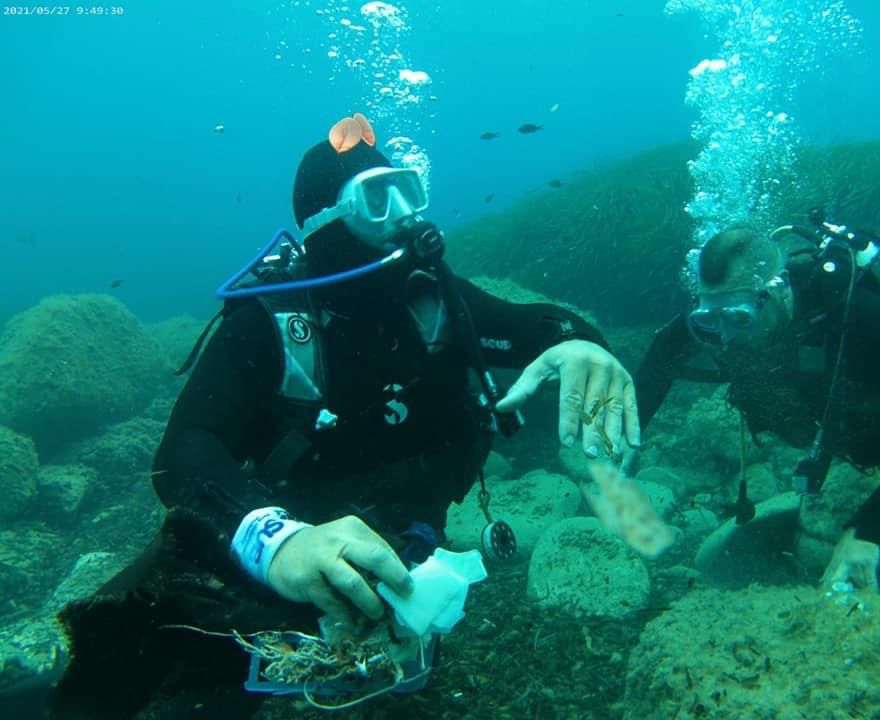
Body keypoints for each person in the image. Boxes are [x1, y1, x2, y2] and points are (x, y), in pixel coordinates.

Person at [47, 120, 640, 719]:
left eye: (411, 192)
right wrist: (275, 540)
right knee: (125, 663)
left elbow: (534, 327)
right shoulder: (271, 320)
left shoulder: (431, 298)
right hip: (286, 537)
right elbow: (185, 452)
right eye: (379, 199)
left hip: (401, 544)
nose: (407, 219)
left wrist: (585, 346)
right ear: (325, 221)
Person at [633, 218, 880, 591]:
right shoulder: (717, 319)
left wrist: (865, 532)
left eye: (739, 318)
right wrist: (623, 437)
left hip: (879, 419)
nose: (723, 336)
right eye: (709, 320)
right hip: (816, 414)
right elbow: (659, 362)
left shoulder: (862, 317)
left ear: (779, 289)